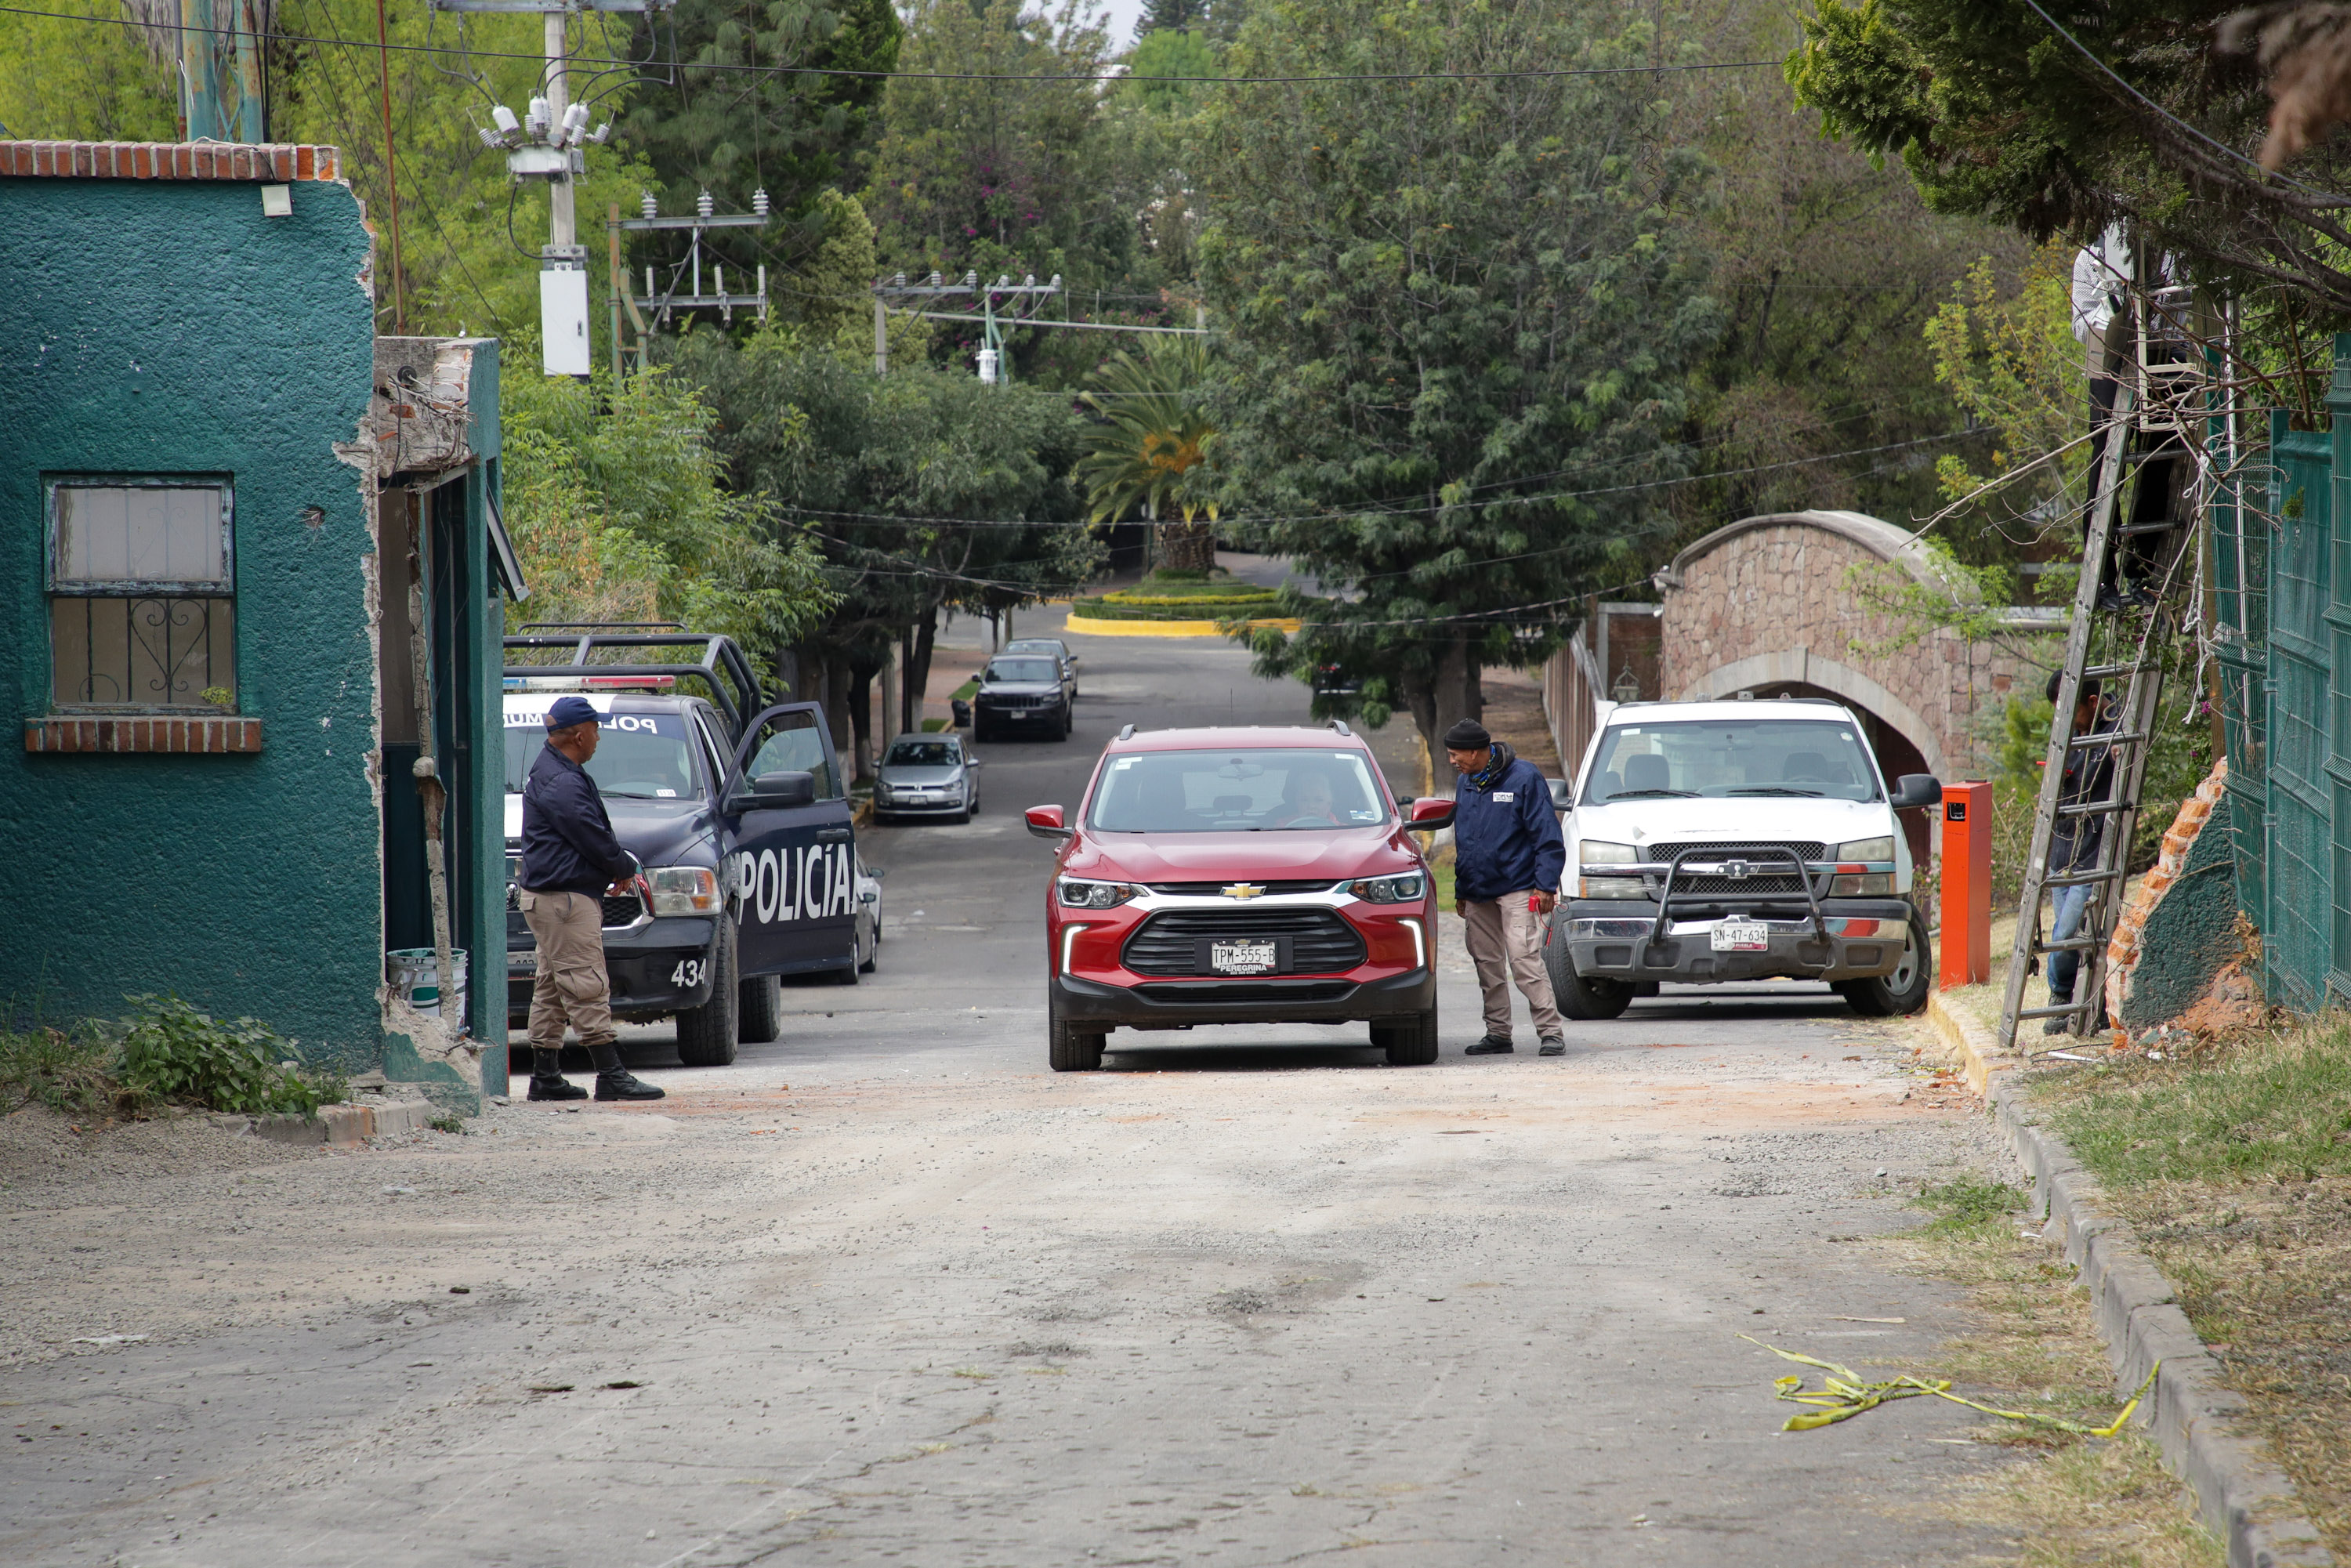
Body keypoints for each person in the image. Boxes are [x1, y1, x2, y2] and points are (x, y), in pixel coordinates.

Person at [516, 695, 666, 1102]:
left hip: (552, 897)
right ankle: (611, 1075)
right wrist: (622, 868)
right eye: (597, 730)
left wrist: (610, 870)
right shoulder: (562, 780)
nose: (599, 738)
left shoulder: (554, 770)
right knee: (586, 983)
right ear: (580, 734)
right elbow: (591, 835)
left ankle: (545, 1078)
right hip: (563, 901)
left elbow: (581, 837)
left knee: (551, 988)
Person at [1444, 719, 1568, 1056]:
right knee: (1487, 963)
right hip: (1477, 890)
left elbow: (1547, 836)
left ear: (1476, 751)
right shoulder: (1465, 783)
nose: (1453, 762)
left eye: (1457, 755)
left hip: (1518, 886)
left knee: (1523, 960)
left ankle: (1551, 1032)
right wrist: (1461, 890)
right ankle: (1498, 1033)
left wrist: (1545, 886)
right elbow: (1464, 840)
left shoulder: (1524, 778)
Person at [2042, 672, 2114, 1034]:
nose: (2066, 722)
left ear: (2090, 702)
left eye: (2072, 712)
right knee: (2065, 933)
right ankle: (2071, 1001)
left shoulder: (2114, 730)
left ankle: (2059, 994)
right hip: (2061, 851)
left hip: (2090, 853)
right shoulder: (2066, 737)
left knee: (2067, 932)